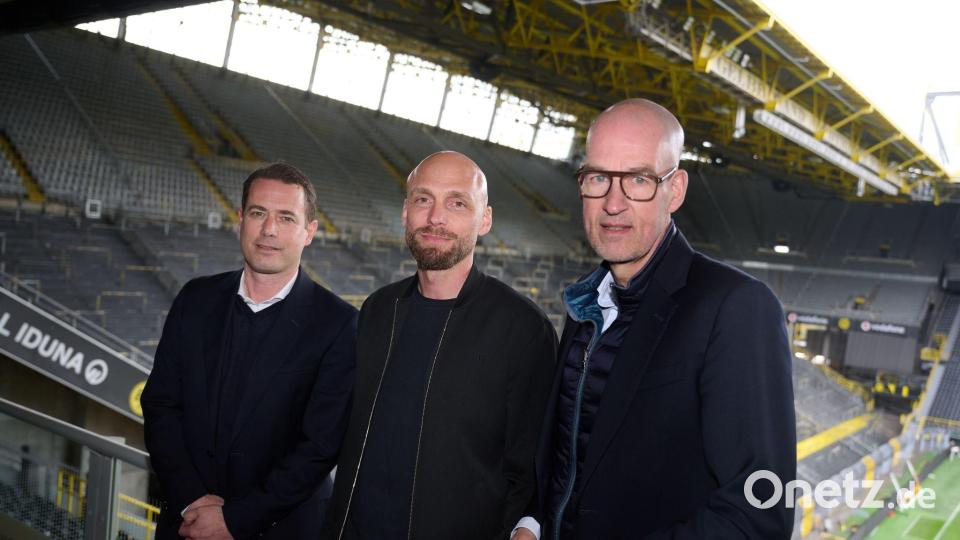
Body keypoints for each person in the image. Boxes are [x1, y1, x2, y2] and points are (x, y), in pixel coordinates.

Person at [535, 99, 796, 539]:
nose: (612, 203)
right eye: (598, 178)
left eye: (638, 179)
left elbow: (759, 511)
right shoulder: (585, 303)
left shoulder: (735, 307)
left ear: (674, 190)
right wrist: (534, 523)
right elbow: (568, 462)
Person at [321, 151, 557, 540]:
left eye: (457, 203)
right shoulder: (378, 310)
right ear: (405, 212)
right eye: (423, 199)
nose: (436, 217)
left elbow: (533, 466)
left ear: (485, 220)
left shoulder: (523, 328)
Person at [141, 163, 357, 540]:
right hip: (186, 524)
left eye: (286, 218)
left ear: (310, 232)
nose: (269, 229)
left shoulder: (339, 325)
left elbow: (319, 448)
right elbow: (160, 406)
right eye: (258, 213)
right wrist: (191, 501)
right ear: (241, 219)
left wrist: (234, 520)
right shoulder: (195, 298)